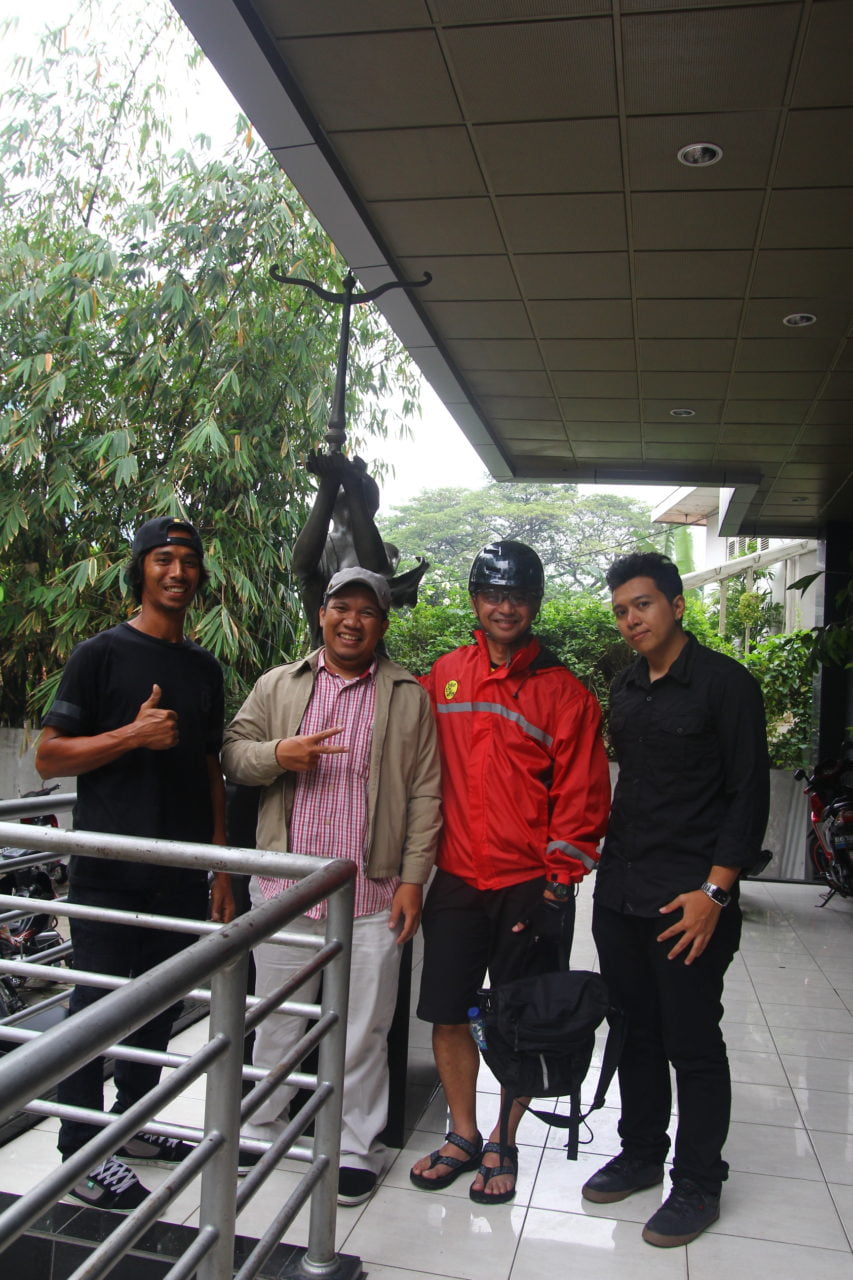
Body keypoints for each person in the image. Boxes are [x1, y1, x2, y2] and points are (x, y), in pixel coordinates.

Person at [221, 566, 441, 1207]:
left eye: (367, 611)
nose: (352, 621)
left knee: (365, 1031)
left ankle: (354, 1147)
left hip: (373, 894)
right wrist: (278, 755)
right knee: (278, 1023)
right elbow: (233, 753)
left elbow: (427, 793)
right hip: (285, 889)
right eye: (341, 607)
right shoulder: (278, 684)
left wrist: (413, 879)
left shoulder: (409, 695)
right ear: (322, 614)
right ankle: (261, 1127)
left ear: (383, 623)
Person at [36, 516, 235, 1212]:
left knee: (158, 1006)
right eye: (163, 559)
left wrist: (220, 868)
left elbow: (210, 769)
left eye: (189, 560)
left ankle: (134, 1125)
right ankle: (80, 1153)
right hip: (109, 867)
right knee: (96, 1009)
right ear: (140, 569)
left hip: (179, 871)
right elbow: (49, 756)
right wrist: (132, 734)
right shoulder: (100, 655)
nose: (177, 571)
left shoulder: (205, 668)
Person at [409, 541, 610, 1204]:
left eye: (518, 596)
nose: (505, 607)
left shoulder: (565, 694)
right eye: (493, 594)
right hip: (457, 879)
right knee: (447, 1012)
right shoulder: (444, 676)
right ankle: (463, 1134)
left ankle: (504, 1138)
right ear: (475, 600)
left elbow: (582, 798)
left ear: (534, 604)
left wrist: (558, 884)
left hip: (531, 885)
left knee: (522, 1019)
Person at [582, 551, 769, 1247]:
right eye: (621, 611)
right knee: (633, 1031)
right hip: (622, 894)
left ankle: (697, 1181)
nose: (631, 619)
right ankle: (639, 1153)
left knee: (691, 1041)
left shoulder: (726, 684)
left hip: (690, 900)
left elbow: (747, 795)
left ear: (676, 605)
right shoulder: (626, 685)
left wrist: (715, 892)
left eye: (643, 605)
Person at [292, 449, 427, 646]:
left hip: (369, 657)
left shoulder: (386, 551)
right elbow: (301, 567)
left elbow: (375, 568)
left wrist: (353, 485)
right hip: (321, 656)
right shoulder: (315, 548)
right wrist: (328, 484)